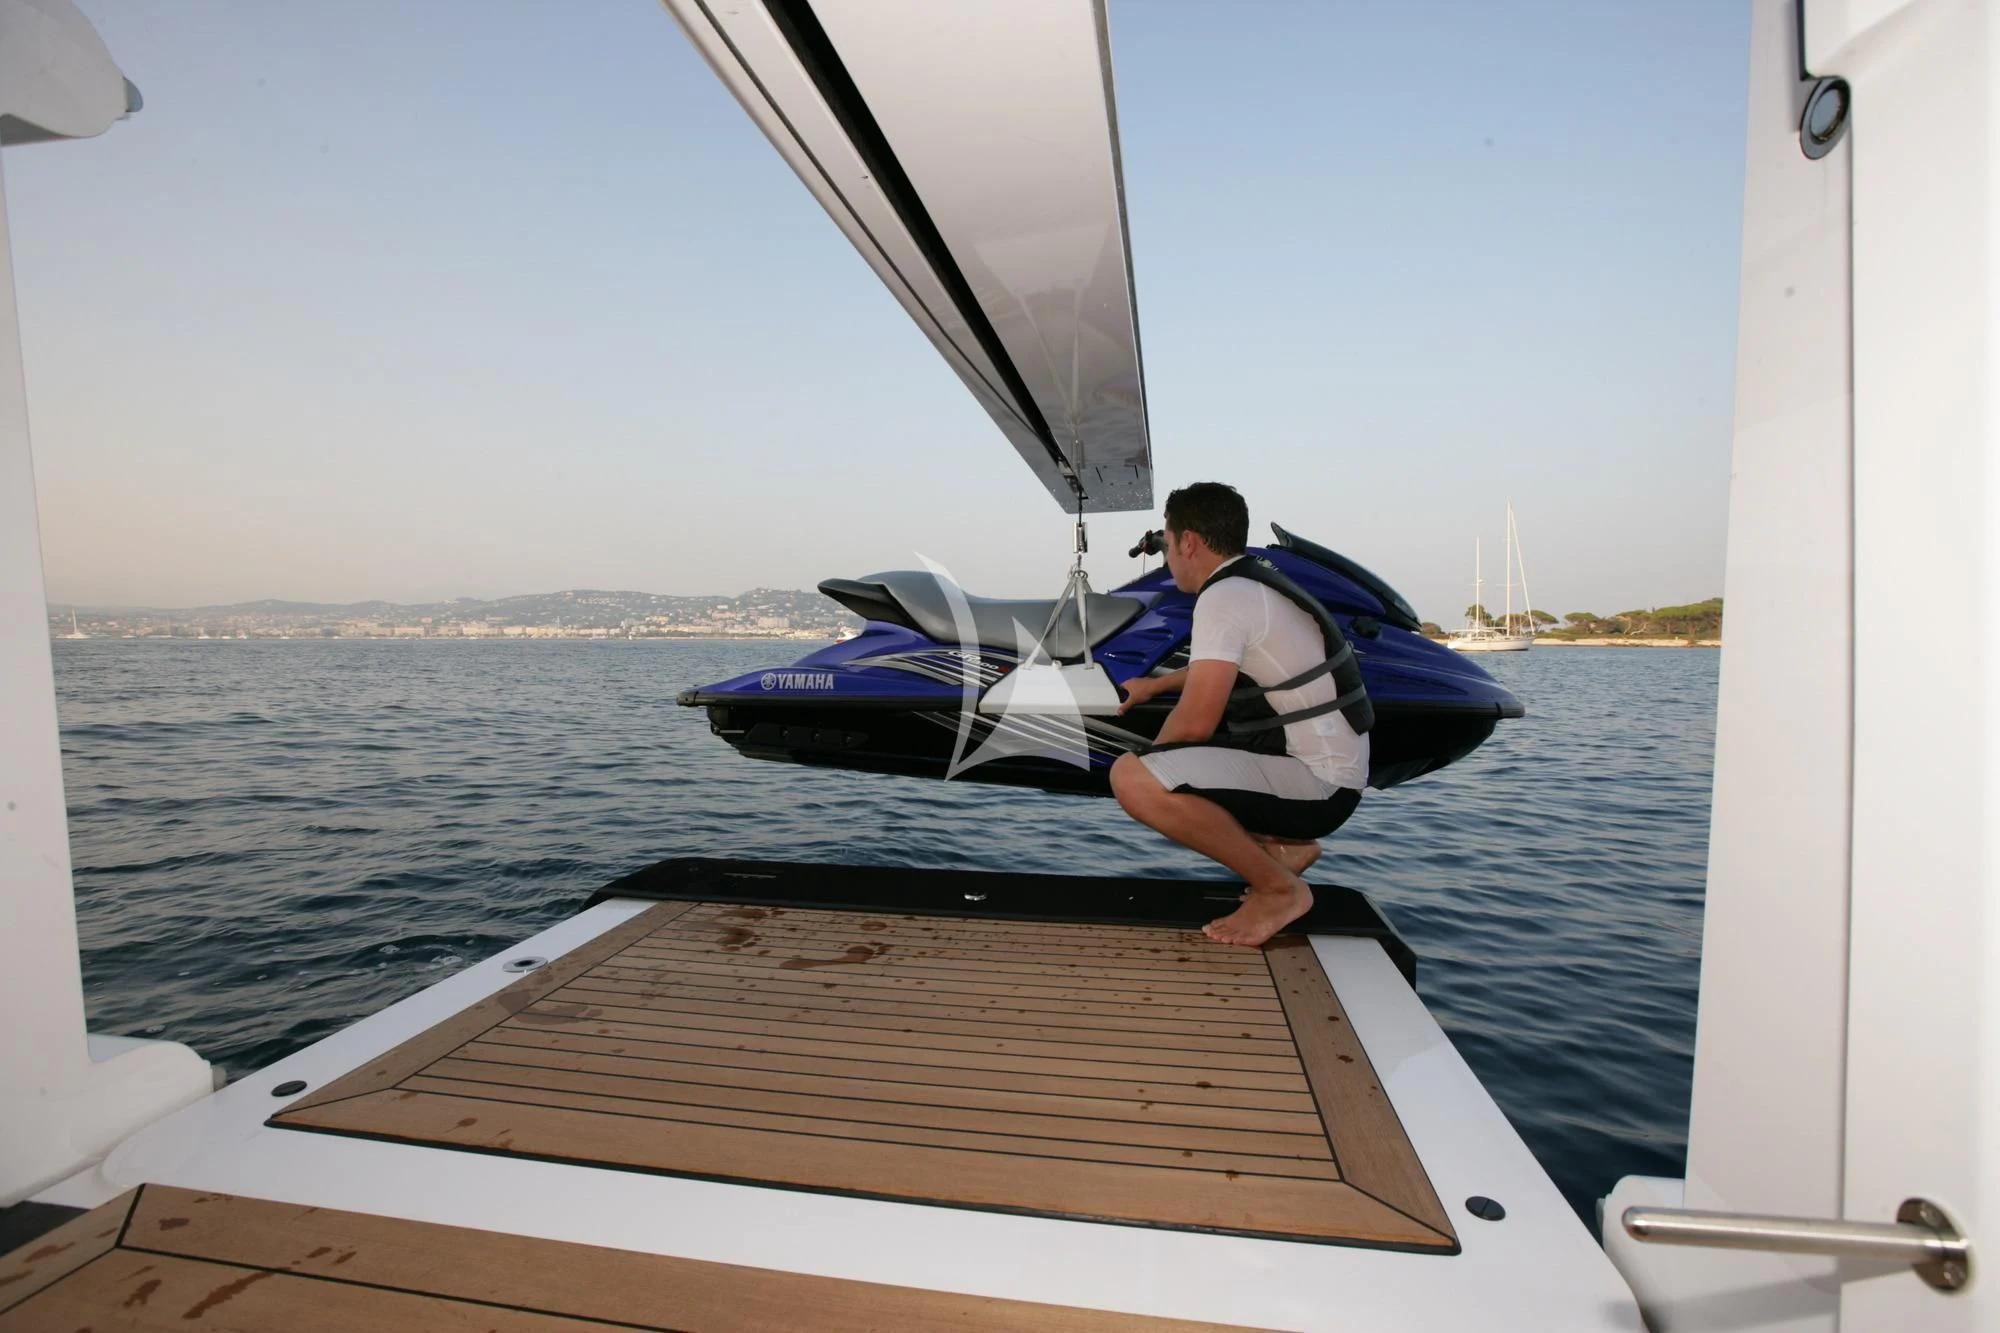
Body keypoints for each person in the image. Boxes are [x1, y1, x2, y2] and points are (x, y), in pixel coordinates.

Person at [1109, 483, 1370, 946]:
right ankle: (1284, 850)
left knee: (1133, 778)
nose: (1167, 558)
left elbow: (1196, 724)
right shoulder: (1247, 583)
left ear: (1189, 541)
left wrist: (1151, 781)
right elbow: (1218, 664)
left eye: (1167, 545)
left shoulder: (1223, 596)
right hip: (1329, 776)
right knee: (1166, 772)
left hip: (1318, 786)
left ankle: (1280, 889)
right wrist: (1156, 686)